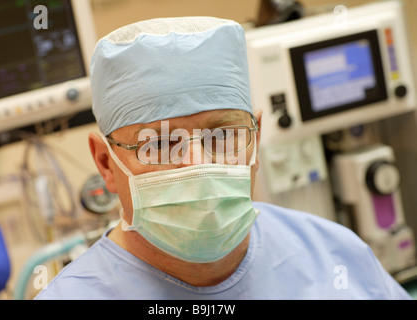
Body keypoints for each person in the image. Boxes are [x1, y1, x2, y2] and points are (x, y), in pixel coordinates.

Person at [35, 17, 411, 299]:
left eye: (224, 135)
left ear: (257, 139)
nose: (198, 163)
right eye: (162, 144)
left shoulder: (334, 256)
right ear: (105, 163)